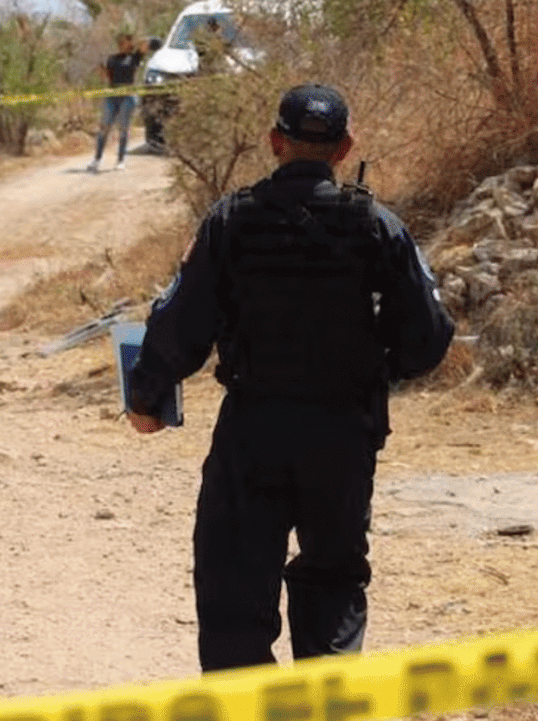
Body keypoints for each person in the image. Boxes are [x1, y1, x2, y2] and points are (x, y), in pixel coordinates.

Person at [126, 83, 455, 672]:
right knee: (333, 583)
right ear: (345, 148)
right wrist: (374, 372)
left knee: (234, 588)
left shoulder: (231, 221)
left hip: (253, 430)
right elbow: (427, 337)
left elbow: (181, 326)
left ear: (276, 142)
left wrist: (147, 397)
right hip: (343, 432)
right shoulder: (377, 226)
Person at [88, 33, 151, 172]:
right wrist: (101, 71)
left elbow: (146, 43)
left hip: (127, 97)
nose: (121, 44)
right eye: (120, 42)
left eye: (124, 42)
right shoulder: (112, 58)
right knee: (104, 128)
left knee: (123, 129)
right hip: (112, 96)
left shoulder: (134, 57)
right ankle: (97, 159)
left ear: (129, 43)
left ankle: (121, 160)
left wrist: (135, 42)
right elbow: (106, 78)